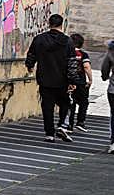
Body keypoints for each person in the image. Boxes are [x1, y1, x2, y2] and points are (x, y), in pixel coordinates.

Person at [24, 14, 76, 142]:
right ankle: (61, 126)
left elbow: (31, 55)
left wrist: (30, 66)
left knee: (47, 106)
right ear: (61, 24)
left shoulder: (39, 39)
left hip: (44, 78)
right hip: (62, 80)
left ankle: (49, 133)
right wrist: (72, 80)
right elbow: (72, 63)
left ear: (49, 23)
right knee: (66, 103)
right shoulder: (68, 41)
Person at [60, 33, 93, 133]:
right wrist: (90, 79)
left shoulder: (66, 53)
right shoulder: (83, 54)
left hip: (69, 82)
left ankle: (69, 125)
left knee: (71, 104)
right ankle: (80, 122)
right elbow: (86, 67)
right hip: (81, 82)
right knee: (83, 102)